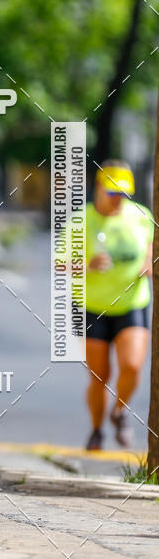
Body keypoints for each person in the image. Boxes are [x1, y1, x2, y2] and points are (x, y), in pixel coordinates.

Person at [82, 161, 153, 451]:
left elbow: (150, 246)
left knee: (132, 366)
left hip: (132, 301)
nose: (118, 199)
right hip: (92, 306)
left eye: (123, 194)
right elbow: (60, 263)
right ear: (98, 188)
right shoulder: (81, 220)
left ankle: (119, 411)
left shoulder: (141, 216)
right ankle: (97, 429)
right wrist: (87, 264)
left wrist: (148, 262)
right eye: (112, 193)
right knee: (100, 377)